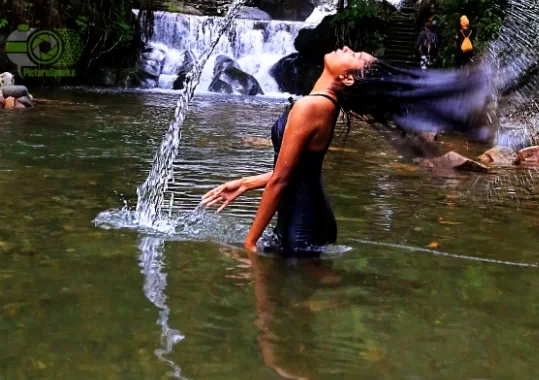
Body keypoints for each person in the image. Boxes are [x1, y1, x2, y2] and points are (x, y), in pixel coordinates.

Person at [202, 46, 495, 256]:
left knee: (278, 322)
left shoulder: (312, 107)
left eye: (354, 57)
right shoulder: (321, 104)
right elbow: (297, 173)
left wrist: (249, 245)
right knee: (290, 320)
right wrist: (244, 183)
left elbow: (282, 181)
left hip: (301, 227)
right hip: (307, 221)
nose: (347, 49)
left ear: (347, 78)